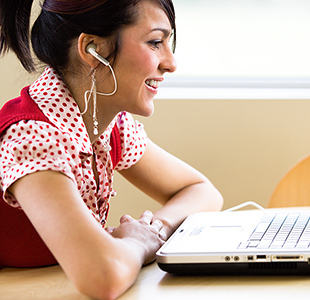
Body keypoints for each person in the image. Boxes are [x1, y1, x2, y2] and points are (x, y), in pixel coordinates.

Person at [0, 0, 223, 299]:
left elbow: (203, 192)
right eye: (155, 42)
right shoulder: (34, 136)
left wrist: (152, 230)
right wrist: (138, 244)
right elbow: (102, 278)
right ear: (93, 48)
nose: (171, 63)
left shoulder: (111, 125)